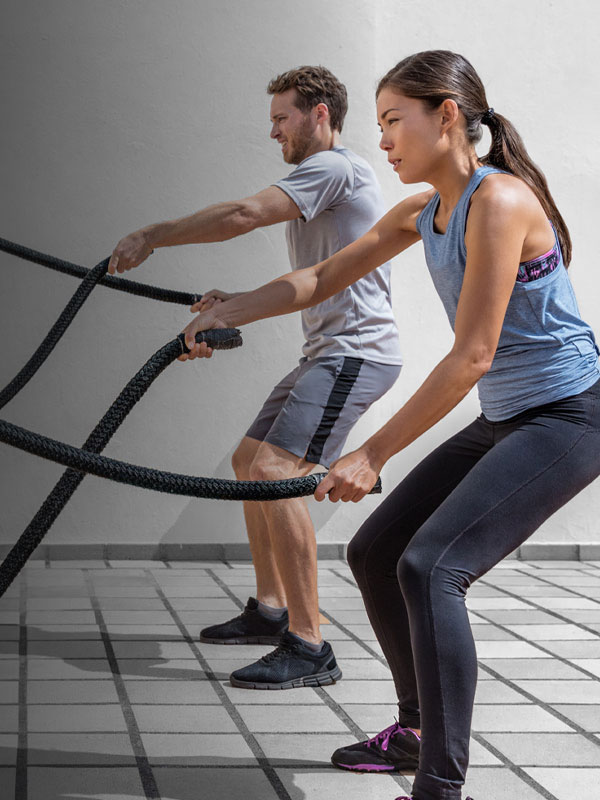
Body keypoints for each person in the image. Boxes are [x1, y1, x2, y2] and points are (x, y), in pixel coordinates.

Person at [180, 50, 600, 800]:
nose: (382, 142)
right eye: (378, 125)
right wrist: (228, 309)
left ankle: (440, 783)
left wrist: (372, 453)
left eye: (393, 122)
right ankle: (412, 733)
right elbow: (320, 277)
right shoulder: (420, 210)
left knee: (432, 566)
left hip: (570, 416)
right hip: (510, 414)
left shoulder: (498, 200)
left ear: (447, 116)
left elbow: (471, 356)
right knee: (377, 551)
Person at [108, 65, 403, 690]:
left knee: (277, 472)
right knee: (250, 461)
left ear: (319, 113)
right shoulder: (321, 184)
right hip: (328, 348)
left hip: (357, 353)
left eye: (281, 118)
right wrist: (232, 301)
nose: (273, 131)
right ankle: (272, 611)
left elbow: (244, 214)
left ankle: (308, 642)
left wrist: (155, 235)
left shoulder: (334, 167)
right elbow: (315, 282)